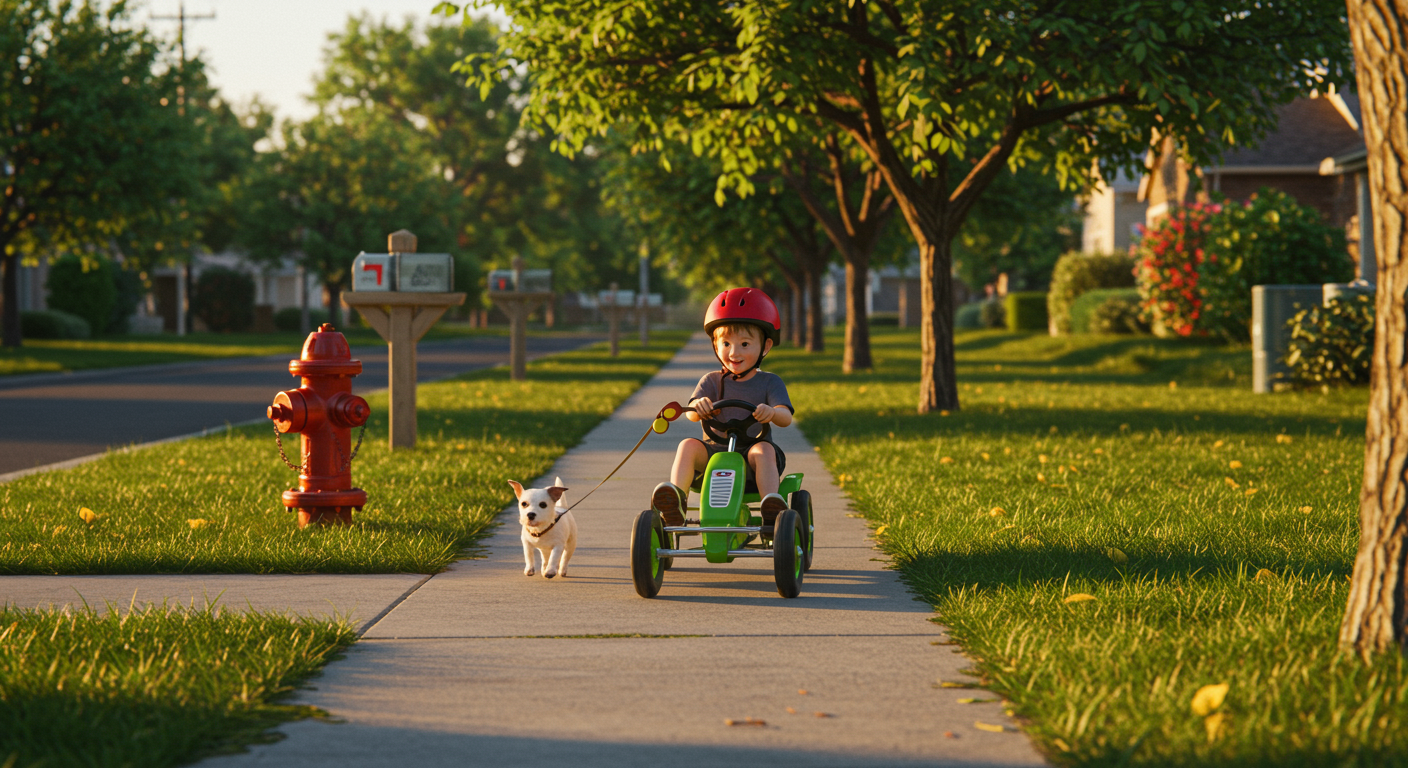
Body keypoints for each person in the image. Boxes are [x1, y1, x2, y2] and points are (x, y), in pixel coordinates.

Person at [651, 287, 794, 527]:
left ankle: (771, 506)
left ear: (765, 346)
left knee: (763, 450)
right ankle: (676, 501)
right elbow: (692, 415)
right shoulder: (710, 381)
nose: (734, 352)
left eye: (745, 344)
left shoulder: (770, 382)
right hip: (713, 455)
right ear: (715, 345)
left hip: (752, 461)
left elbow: (785, 416)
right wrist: (699, 406)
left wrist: (772, 412)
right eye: (726, 343)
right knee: (687, 444)